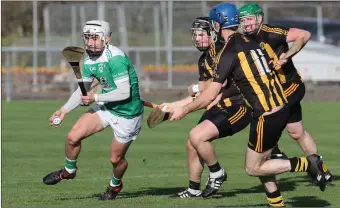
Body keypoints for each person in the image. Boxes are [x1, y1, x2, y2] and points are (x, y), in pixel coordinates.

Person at [169, 3, 327, 207]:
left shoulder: (228, 51)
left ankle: (308, 163)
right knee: (264, 162)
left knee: (253, 168)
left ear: (217, 25)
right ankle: (276, 203)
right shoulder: (250, 41)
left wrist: (184, 109)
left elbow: (210, 94)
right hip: (280, 106)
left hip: (267, 113)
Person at [42, 20, 144, 201]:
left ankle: (115, 185)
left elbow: (123, 92)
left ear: (107, 39)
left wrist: (95, 97)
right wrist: (64, 110)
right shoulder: (89, 59)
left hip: (128, 114)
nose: (89, 43)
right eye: (87, 38)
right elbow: (82, 90)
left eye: (95, 38)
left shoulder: (116, 59)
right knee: (73, 137)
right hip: (107, 106)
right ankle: (69, 170)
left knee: (116, 160)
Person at [237, 2, 332, 183]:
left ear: (259, 18)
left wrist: (286, 56)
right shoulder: (244, 39)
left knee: (267, 122)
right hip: (276, 93)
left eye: (249, 19)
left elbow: (305, 35)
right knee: (297, 132)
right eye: (243, 20)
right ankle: (321, 169)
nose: (247, 24)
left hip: (289, 88)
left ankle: (275, 152)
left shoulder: (270, 32)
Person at [161, 17, 253, 198]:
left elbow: (221, 82)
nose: (197, 38)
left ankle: (217, 172)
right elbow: (200, 96)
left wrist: (197, 88)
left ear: (212, 33)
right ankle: (194, 189)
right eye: (194, 34)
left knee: (197, 136)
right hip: (218, 106)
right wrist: (173, 105)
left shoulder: (222, 50)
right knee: (192, 144)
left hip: (238, 106)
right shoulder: (204, 60)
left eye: (201, 34)